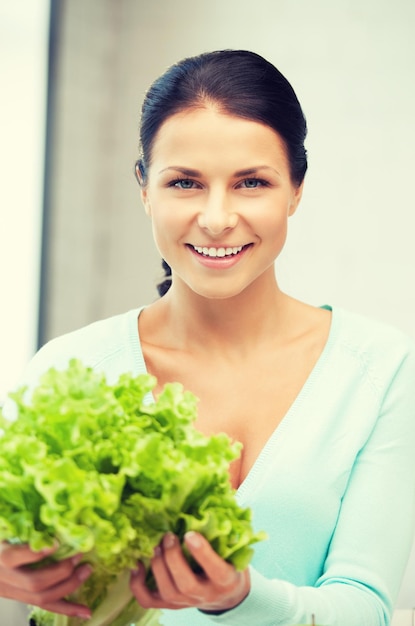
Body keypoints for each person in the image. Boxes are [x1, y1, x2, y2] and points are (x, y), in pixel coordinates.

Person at [1, 49, 414, 626]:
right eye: (185, 182)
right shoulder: (69, 368)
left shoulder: (379, 369)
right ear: (145, 188)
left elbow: (364, 606)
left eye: (251, 182)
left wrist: (238, 598)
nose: (217, 218)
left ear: (296, 189)